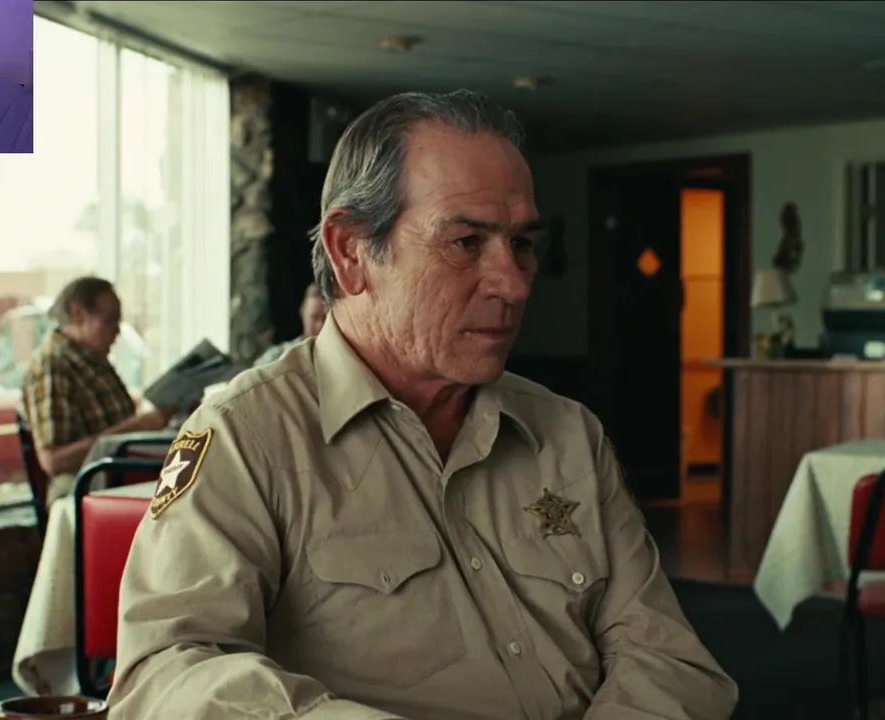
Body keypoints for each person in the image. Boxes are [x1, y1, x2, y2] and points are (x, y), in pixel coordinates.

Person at [109, 90, 737, 720]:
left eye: (522, 244)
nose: (514, 284)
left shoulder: (568, 433)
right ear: (352, 251)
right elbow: (166, 676)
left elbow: (666, 658)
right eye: (466, 242)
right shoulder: (248, 438)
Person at [20, 276, 172, 505]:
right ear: (78, 314)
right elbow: (53, 460)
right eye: (109, 321)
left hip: (117, 473)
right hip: (85, 486)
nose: (117, 331)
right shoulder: (54, 365)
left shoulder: (92, 359)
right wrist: (137, 426)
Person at [253, 282, 327, 366]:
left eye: (325, 318)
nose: (320, 325)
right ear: (302, 313)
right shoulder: (278, 357)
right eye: (314, 317)